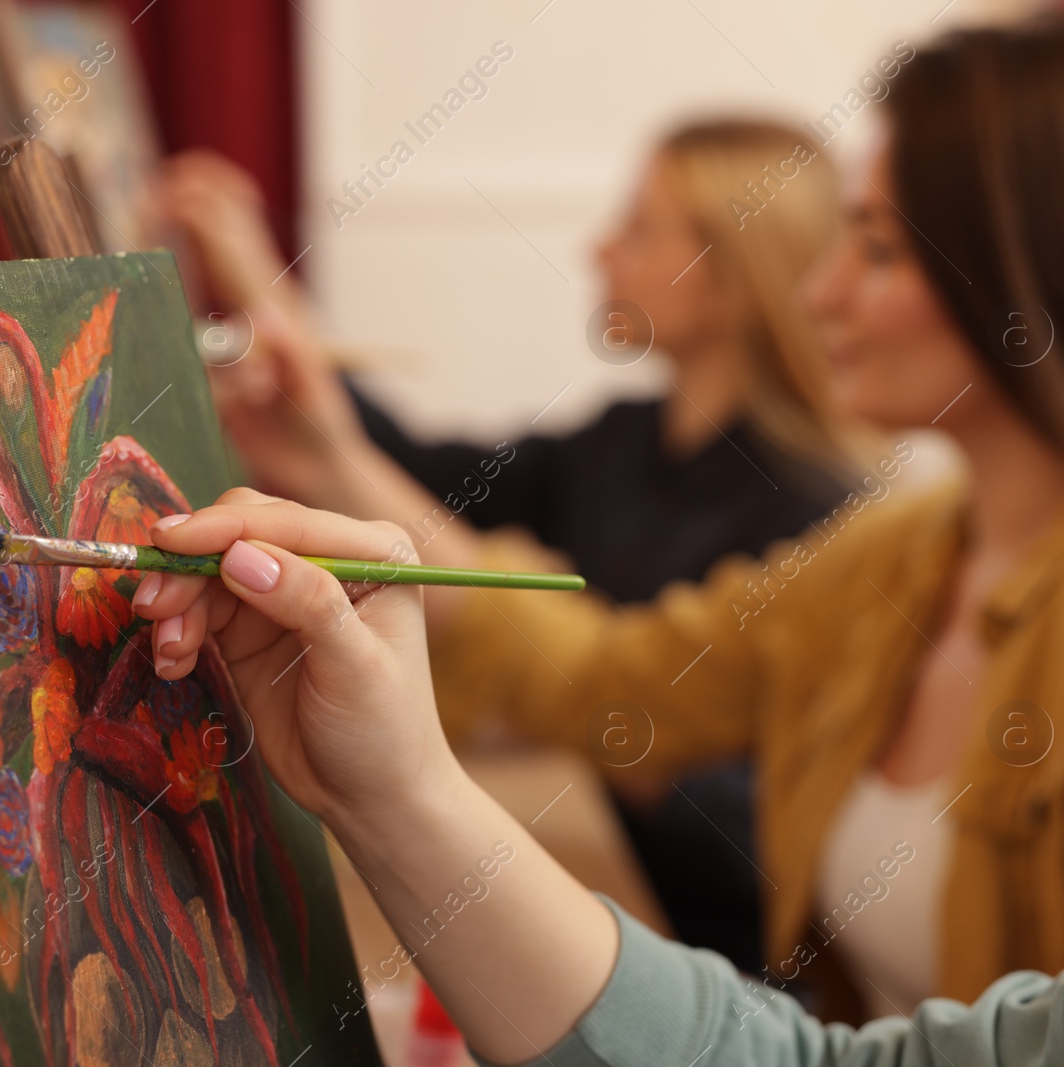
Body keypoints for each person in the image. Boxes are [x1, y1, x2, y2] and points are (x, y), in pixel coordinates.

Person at [149, 11, 1064, 1030]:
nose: (819, 294)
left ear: (1027, 285)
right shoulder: (910, 545)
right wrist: (340, 481)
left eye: (878, 251)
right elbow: (613, 679)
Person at [161, 121, 862, 972]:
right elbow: (428, 474)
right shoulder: (623, 440)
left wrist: (614, 741)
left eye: (640, 228)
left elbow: (752, 823)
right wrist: (307, 405)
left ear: (730, 279)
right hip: (586, 875)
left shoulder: (823, 515)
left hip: (703, 950)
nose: (600, 246)